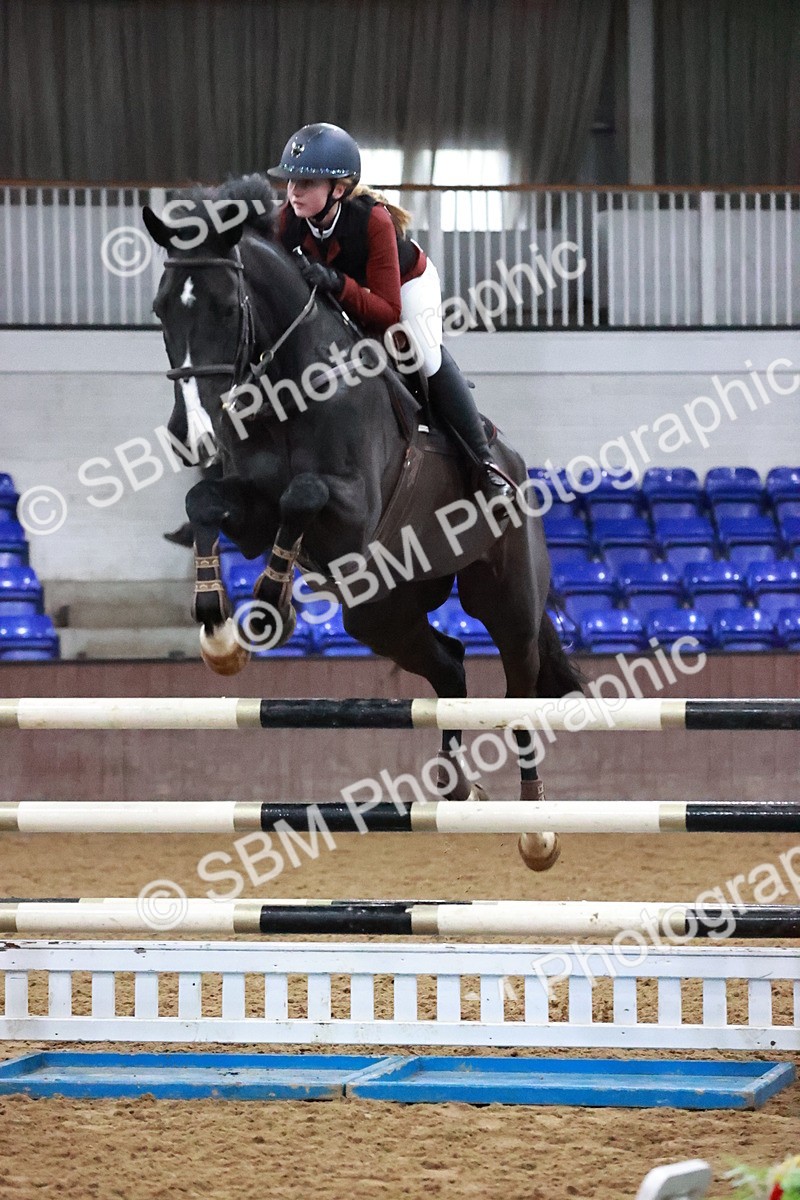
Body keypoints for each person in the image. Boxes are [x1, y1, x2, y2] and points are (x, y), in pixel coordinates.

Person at [268, 122, 512, 501]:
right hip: (344, 288)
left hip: (406, 286)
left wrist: (338, 283)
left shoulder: (373, 220)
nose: (293, 192)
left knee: (424, 353)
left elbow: (385, 312)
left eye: (305, 183)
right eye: (290, 182)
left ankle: (484, 464)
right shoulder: (287, 221)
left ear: (338, 188)